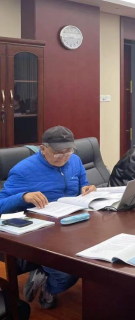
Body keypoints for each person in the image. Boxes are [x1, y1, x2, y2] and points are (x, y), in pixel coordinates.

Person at [0, 126, 96, 309]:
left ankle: (45, 274)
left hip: (74, 223)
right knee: (69, 271)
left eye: (69, 151)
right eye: (59, 152)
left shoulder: (75, 161)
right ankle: (49, 286)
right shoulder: (23, 170)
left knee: (93, 260)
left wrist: (87, 189)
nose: (65, 157)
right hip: (41, 232)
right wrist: (23, 197)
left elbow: (83, 185)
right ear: (43, 149)